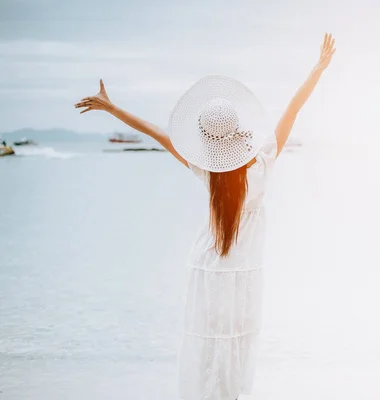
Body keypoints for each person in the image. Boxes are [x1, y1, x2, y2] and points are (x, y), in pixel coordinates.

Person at [74, 33, 336, 400]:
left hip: (209, 270)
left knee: (211, 345)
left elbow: (158, 134)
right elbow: (294, 107)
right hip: (242, 275)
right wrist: (318, 68)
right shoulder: (263, 163)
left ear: (209, 143)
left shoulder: (209, 172)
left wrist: (113, 109)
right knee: (234, 344)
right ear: (239, 133)